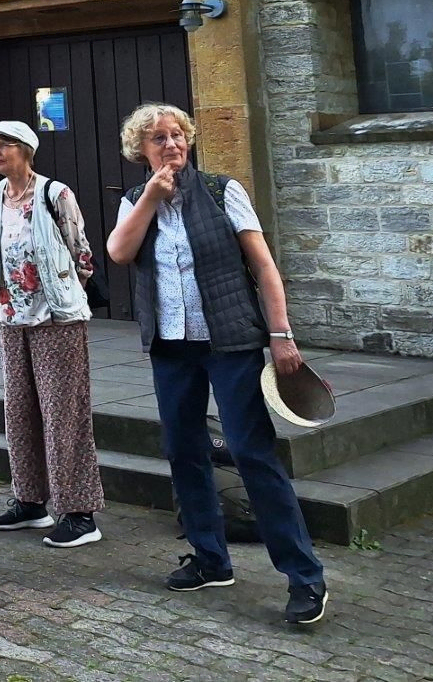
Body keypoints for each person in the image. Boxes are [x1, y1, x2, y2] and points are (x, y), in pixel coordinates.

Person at [105, 102, 328, 625]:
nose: (171, 144)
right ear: (140, 149)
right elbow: (118, 252)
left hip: (230, 342)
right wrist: (151, 198)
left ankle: (304, 576)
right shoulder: (136, 200)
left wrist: (281, 335)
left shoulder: (223, 191)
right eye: (158, 138)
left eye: (177, 135)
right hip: (172, 346)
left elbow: (264, 267)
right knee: (184, 450)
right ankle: (210, 559)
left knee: (252, 452)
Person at [0, 120, 105, 548]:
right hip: (12, 316)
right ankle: (30, 501)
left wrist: (67, 294)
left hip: (57, 318)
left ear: (27, 150)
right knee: (19, 412)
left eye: (5, 144)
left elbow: (80, 251)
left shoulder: (55, 193)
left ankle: (79, 513)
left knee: (62, 413)